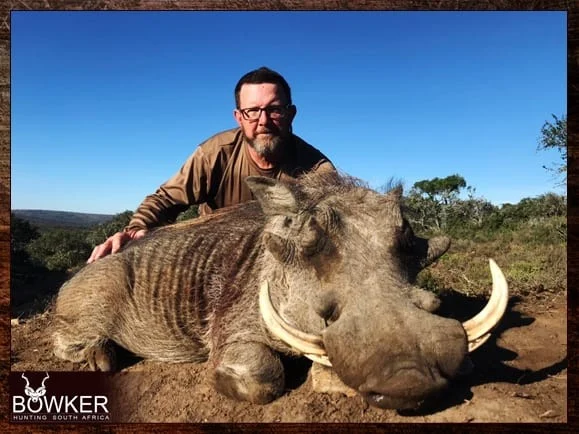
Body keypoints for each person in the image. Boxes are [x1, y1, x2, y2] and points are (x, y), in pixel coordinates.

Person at [87, 66, 335, 263]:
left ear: (291, 114)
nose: (263, 120)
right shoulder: (215, 153)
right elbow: (164, 200)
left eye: (274, 110)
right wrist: (135, 230)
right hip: (214, 258)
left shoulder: (317, 170)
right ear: (239, 117)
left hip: (283, 263)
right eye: (252, 111)